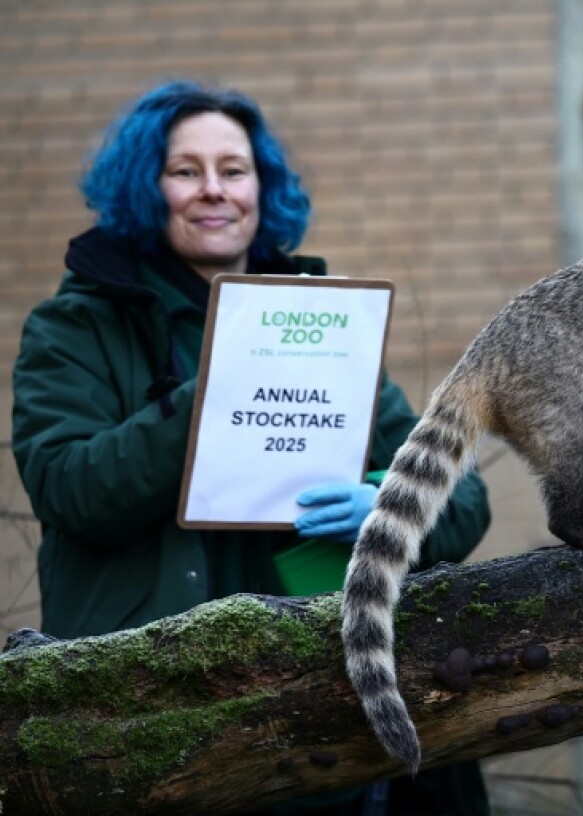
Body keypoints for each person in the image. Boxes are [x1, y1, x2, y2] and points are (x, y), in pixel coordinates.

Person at [11, 80, 492, 816]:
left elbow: (463, 501)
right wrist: (213, 388)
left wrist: (386, 505)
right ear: (147, 186)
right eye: (185, 171)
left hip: (319, 731)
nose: (214, 191)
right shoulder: (76, 327)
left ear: (261, 188)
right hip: (145, 726)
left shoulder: (324, 324)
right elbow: (71, 489)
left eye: (234, 171)